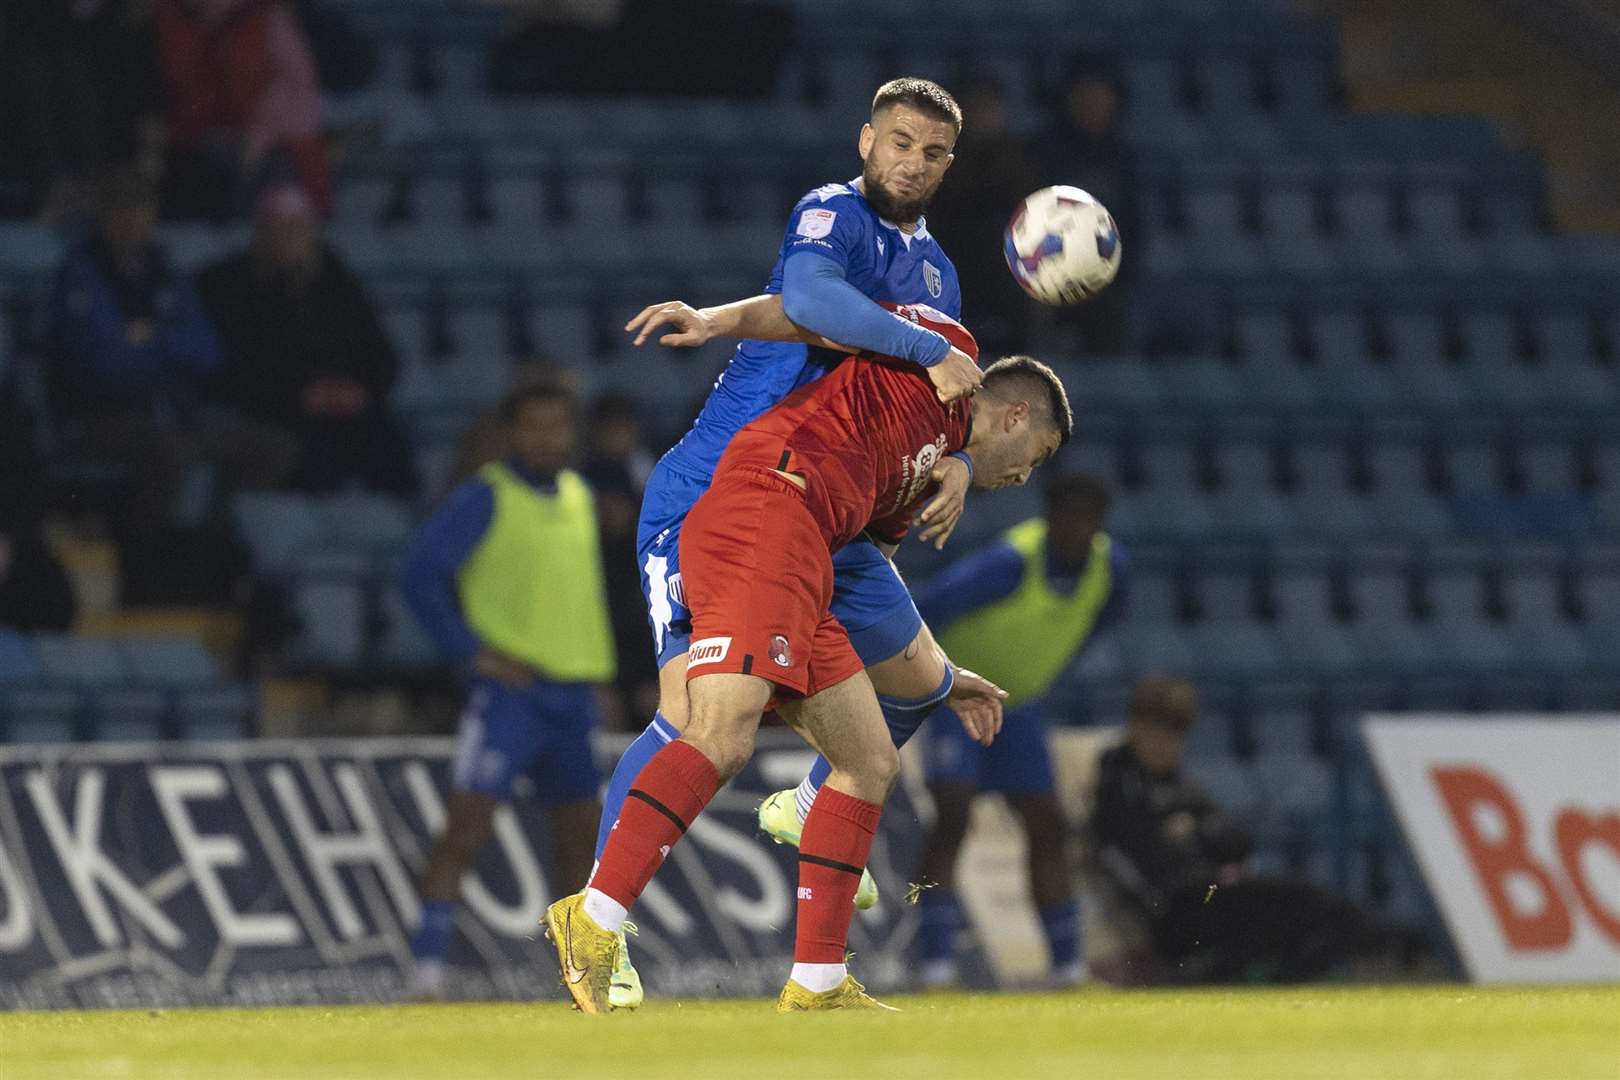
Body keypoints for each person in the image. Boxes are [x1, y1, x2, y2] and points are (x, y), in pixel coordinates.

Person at [582, 77, 996, 1010]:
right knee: (693, 719)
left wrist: (961, 459)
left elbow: (943, 392)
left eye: (931, 153)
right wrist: (919, 351)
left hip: (826, 514)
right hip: (724, 493)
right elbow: (809, 297)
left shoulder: (939, 275)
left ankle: (815, 902)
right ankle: (598, 927)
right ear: (866, 141)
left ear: (947, 165)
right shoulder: (833, 212)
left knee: (921, 685)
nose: (911, 163)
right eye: (898, 142)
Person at [547, 302, 1073, 1013]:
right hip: (762, 510)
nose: (1023, 478)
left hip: (809, 558)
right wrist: (717, 320)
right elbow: (812, 299)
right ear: (1013, 417)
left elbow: (874, 578)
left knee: (869, 760)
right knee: (718, 730)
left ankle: (817, 981)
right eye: (1033, 457)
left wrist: (940, 678)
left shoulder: (913, 476)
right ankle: (593, 917)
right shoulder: (942, 356)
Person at [399, 382, 615, 1000]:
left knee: (578, 835)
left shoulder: (578, 494)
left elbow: (576, 598)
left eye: (558, 426)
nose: (547, 439)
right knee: (466, 826)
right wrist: (473, 654)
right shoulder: (486, 496)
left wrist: (596, 674)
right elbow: (418, 576)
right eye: (534, 427)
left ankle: (580, 976)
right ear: (511, 433)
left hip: (572, 697)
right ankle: (427, 969)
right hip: (509, 699)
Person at [911, 471, 1129, 989]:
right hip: (958, 700)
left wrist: (1045, 668)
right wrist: (933, 677)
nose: (1078, 530)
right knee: (953, 815)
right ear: (1050, 517)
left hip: (1020, 706)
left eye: (1089, 520)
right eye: (1069, 518)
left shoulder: (1111, 568)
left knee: (1047, 823)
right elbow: (926, 608)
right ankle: (935, 966)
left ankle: (1068, 968)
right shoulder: (1010, 562)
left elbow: (1100, 620)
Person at [1089, 675, 1416, 985]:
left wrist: (1199, 836)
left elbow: (1231, 842)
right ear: (1135, 727)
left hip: (1213, 891)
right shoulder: (1119, 785)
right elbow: (1132, 857)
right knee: (1290, 908)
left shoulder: (1180, 785)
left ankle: (1271, 979)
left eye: (1174, 735)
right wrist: (1190, 843)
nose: (1164, 745)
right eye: (1155, 732)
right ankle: (1234, 981)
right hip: (1179, 909)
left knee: (1317, 911)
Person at [197, 184, 418, 497]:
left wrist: (358, 390)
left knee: (390, 449)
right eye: (280, 229)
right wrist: (299, 395)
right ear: (261, 232)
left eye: (298, 229)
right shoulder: (227, 286)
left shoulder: (335, 280)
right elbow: (231, 371)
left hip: (346, 407)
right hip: (275, 410)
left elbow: (383, 356)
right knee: (310, 457)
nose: (290, 238)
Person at [47, 167, 222, 538]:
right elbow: (103, 358)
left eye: (141, 210)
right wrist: (166, 347)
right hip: (99, 416)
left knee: (264, 447)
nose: (133, 220)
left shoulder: (165, 270)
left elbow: (207, 350)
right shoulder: (80, 271)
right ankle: (141, 557)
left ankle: (215, 559)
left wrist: (153, 336)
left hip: (170, 409)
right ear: (105, 215)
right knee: (170, 454)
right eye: (122, 210)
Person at [154, 0, 331, 218]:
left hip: (265, 144)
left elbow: (300, 91)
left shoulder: (268, 20)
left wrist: (260, 133)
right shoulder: (163, 18)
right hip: (185, 144)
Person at [1037, 59, 1140, 356]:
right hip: (1050, 277)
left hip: (1107, 280)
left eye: (1101, 97)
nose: (1093, 105)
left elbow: (1133, 227)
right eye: (1085, 96)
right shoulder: (1045, 153)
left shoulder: (1122, 159)